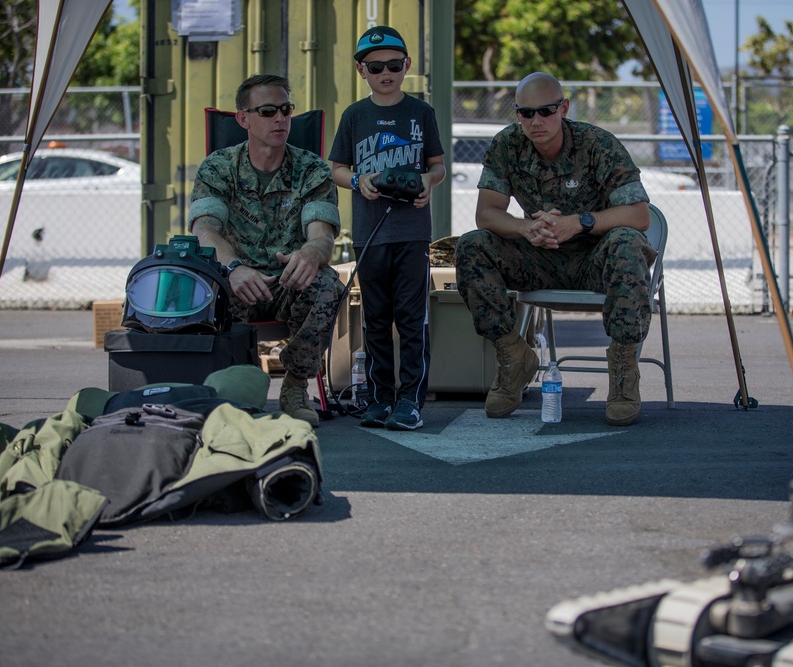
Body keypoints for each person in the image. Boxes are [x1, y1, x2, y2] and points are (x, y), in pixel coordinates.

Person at [454, 72, 657, 427]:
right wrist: (525, 227)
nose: (536, 121)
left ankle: (624, 370)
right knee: (473, 246)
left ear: (563, 108)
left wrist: (580, 222)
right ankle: (513, 356)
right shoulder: (507, 145)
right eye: (525, 113)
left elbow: (639, 215)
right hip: (539, 255)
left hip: (595, 258)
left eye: (546, 111)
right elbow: (486, 213)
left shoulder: (597, 144)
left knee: (628, 243)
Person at [189, 73, 343, 428]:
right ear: (243, 118)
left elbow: (321, 235)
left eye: (286, 110)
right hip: (236, 282)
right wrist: (234, 267)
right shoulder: (218, 167)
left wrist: (310, 255)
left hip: (286, 282)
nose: (280, 119)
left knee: (327, 285)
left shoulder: (312, 170)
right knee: (207, 287)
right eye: (269, 111)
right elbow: (204, 229)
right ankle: (234, 387)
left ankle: (294, 386)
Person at [329, 26, 446, 431]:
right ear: (361, 70)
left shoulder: (421, 113)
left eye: (394, 65)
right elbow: (337, 169)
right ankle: (380, 399)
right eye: (375, 66)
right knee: (375, 318)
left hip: (412, 232)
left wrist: (427, 184)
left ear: (407, 66)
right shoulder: (354, 116)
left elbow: (438, 166)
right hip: (370, 232)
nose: (385, 73)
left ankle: (410, 400)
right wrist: (358, 178)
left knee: (412, 319)